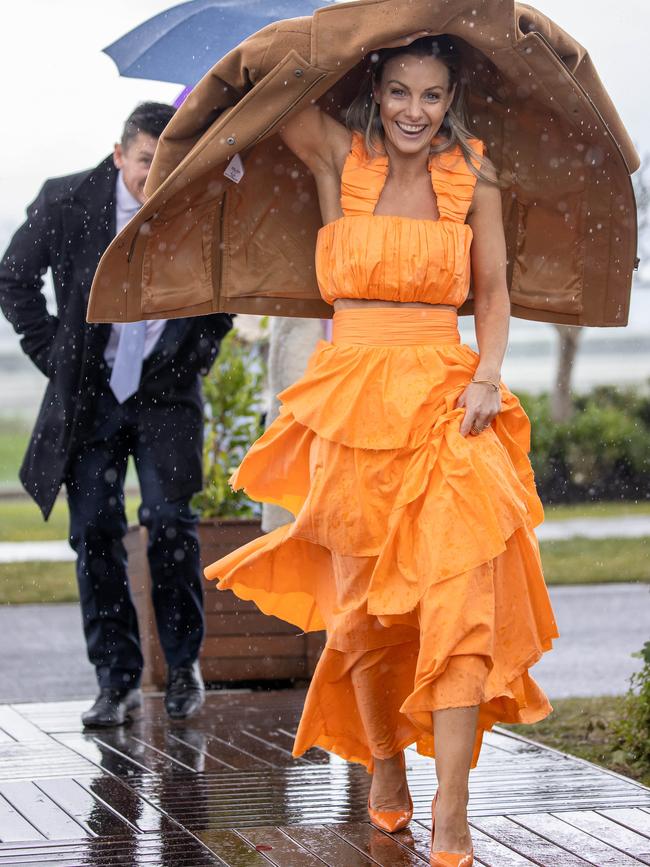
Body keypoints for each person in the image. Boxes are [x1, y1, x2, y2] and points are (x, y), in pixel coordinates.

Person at [203, 35, 559, 866]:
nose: (413, 110)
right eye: (399, 90)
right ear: (377, 85)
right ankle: (387, 765)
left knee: (462, 593)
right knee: (364, 607)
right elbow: (268, 83)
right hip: (354, 402)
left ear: (451, 97)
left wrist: (490, 373)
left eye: (431, 95)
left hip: (447, 396)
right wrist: (351, 27)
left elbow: (496, 291)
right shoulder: (336, 152)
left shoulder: (476, 174)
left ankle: (454, 805)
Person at [0, 103, 233, 728]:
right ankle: (116, 680)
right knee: (96, 532)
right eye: (143, 162)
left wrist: (200, 351)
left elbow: (226, 289)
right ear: (119, 154)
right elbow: (14, 276)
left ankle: (182, 666)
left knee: (169, 525)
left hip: (166, 392)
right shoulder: (67, 200)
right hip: (91, 398)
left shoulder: (198, 205)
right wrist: (54, 354)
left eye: (167, 163)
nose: (153, 177)